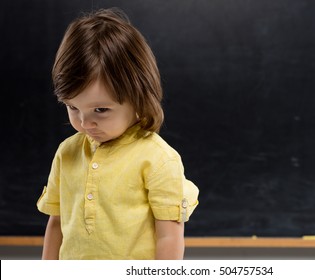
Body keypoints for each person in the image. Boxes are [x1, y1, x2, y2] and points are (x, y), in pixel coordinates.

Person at [37, 8, 199, 260]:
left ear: (138, 100)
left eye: (100, 110)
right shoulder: (67, 153)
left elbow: (170, 234)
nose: (84, 122)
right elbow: (57, 223)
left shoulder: (157, 160)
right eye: (73, 107)